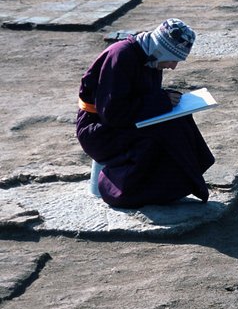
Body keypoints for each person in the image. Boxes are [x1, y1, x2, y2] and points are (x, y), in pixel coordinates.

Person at [76, 18, 215, 209]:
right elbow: (113, 113)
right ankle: (117, 189)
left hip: (121, 123)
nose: (173, 67)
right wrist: (161, 101)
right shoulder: (121, 56)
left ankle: (177, 187)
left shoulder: (150, 57)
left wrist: (166, 99)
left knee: (180, 123)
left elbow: (140, 98)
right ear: (161, 49)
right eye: (173, 59)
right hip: (98, 129)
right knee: (161, 136)